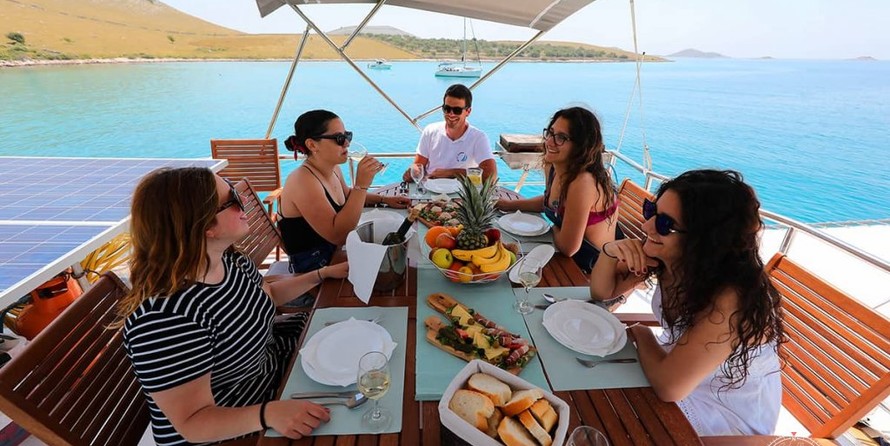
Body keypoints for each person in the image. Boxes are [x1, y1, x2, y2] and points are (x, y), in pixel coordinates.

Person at [119, 167, 349, 445]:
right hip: (237, 425)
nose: (245, 201)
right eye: (233, 200)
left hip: (271, 377)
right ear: (204, 226)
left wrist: (321, 274)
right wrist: (268, 414)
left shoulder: (229, 261)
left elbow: (267, 296)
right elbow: (192, 423)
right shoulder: (165, 319)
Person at [589, 169, 784, 436]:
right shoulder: (671, 260)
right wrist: (609, 252)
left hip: (725, 415)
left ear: (704, 240)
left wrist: (640, 332)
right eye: (651, 211)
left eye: (665, 224)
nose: (647, 226)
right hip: (679, 369)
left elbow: (669, 387)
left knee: (605, 413)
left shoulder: (730, 300)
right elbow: (602, 292)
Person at [280, 109, 410, 274]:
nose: (347, 143)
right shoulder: (303, 182)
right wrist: (362, 185)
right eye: (339, 138)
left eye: (347, 136)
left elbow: (347, 195)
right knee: (395, 266)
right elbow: (339, 236)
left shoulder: (333, 168)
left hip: (336, 250)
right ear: (312, 145)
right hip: (315, 266)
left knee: (401, 249)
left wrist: (384, 199)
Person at [496, 106, 620, 273]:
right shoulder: (554, 167)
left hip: (592, 269)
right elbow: (549, 201)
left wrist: (548, 226)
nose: (549, 142)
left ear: (580, 146)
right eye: (550, 133)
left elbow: (569, 248)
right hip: (563, 256)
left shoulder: (582, 183)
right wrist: (506, 205)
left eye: (561, 137)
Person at [402, 84, 497, 181]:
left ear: (468, 111)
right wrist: (413, 171)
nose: (451, 114)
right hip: (430, 188)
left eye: (457, 110)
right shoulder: (430, 131)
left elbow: (491, 176)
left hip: (460, 190)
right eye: (447, 109)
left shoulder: (478, 138)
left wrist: (451, 173)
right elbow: (419, 165)